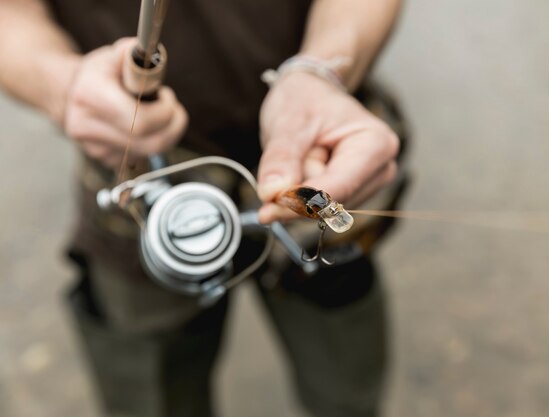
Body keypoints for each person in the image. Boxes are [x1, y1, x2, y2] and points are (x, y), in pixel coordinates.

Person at [0, 1, 408, 416]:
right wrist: (62, 87)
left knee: (348, 394)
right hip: (132, 188)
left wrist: (323, 72)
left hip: (320, 157)